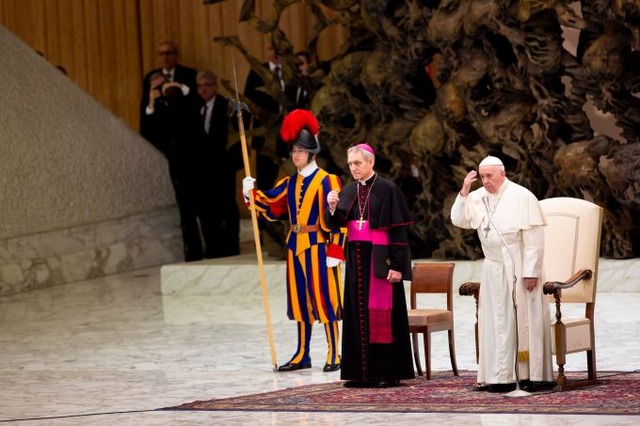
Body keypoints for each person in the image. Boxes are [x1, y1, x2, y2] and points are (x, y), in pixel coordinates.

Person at [242, 109, 346, 373]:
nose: (295, 155)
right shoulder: (289, 182)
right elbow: (271, 205)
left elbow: (340, 217)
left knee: (325, 298)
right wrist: (249, 192)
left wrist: (336, 249)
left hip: (319, 246)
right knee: (300, 300)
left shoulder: (328, 180)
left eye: (300, 150)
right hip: (295, 245)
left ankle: (335, 351)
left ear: (311, 152)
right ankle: (302, 353)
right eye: (293, 150)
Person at [450, 155, 554, 392]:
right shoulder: (477, 198)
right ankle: (499, 376)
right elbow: (458, 219)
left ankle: (529, 375)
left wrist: (531, 272)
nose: (485, 181)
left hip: (519, 266)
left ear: (502, 174)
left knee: (522, 320)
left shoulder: (522, 196)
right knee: (496, 322)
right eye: (482, 176)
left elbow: (534, 239)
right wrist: (465, 192)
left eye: (489, 176)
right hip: (493, 267)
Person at [325, 144, 415, 388]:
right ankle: (358, 373)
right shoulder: (348, 189)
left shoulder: (388, 189)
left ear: (370, 163)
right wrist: (332, 207)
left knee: (383, 315)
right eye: (351, 164)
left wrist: (397, 266)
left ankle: (386, 373)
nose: (353, 168)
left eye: (358, 163)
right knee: (356, 314)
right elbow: (336, 224)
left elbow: (399, 231)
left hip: (381, 260)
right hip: (356, 260)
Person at [140, 72, 209, 261]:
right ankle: (193, 252)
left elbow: (198, 104)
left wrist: (179, 87)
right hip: (176, 163)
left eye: (163, 85)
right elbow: (147, 132)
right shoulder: (154, 108)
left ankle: (212, 248)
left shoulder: (183, 99)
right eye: (155, 87)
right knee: (186, 210)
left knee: (203, 206)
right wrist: (152, 103)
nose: (161, 90)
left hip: (195, 160)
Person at [197, 70, 242, 258]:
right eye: (199, 86)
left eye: (207, 85)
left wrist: (231, 163)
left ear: (214, 86)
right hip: (202, 168)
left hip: (223, 167)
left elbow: (235, 137)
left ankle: (231, 245)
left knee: (227, 206)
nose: (203, 90)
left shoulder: (226, 106)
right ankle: (212, 246)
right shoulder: (194, 106)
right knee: (206, 209)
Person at [140, 41, 197, 131]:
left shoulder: (189, 74)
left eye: (168, 53)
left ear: (176, 55)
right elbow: (145, 105)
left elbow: (194, 100)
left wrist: (179, 86)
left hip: (184, 128)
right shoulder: (151, 76)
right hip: (160, 129)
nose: (165, 57)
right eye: (161, 54)